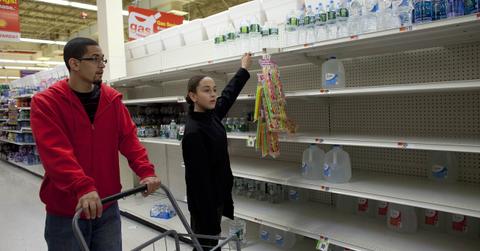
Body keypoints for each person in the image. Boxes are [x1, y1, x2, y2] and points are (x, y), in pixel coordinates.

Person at [30, 37, 161, 251]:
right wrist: (82, 187)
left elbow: (129, 140)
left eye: (103, 60)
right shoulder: (47, 103)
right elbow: (55, 152)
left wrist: (145, 171)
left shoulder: (112, 100)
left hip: (107, 205)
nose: (102, 65)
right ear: (74, 64)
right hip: (67, 210)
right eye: (95, 59)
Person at [182, 53, 252, 250]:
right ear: (193, 96)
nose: (213, 94)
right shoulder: (194, 132)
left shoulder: (210, 116)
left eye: (214, 90)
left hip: (217, 194)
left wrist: (243, 69)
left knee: (213, 241)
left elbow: (228, 95)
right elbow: (198, 180)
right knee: (206, 244)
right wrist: (209, 211)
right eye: (206, 90)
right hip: (205, 203)